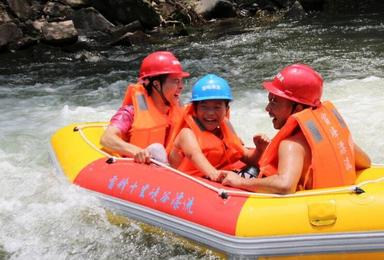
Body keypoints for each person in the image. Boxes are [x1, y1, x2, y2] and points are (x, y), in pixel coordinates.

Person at [220, 64, 371, 194]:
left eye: (274, 102)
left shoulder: (291, 145)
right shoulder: (330, 134)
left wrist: (239, 182)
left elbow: (285, 185)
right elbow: (365, 162)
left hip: (310, 216)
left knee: (248, 173)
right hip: (339, 202)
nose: (267, 108)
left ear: (298, 108)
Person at [168, 74, 269, 181]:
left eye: (217, 107)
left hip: (213, 178)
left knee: (253, 170)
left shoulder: (225, 130)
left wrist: (259, 149)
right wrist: (215, 174)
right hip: (191, 182)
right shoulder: (187, 134)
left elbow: (249, 159)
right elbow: (194, 155)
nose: (210, 113)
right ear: (195, 109)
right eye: (204, 107)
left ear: (226, 109)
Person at [100, 51, 189, 163]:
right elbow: (107, 139)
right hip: (136, 170)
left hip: (168, 167)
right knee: (156, 148)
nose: (181, 87)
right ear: (156, 84)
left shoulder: (177, 110)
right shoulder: (130, 112)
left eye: (181, 81)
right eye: (176, 81)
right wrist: (136, 151)